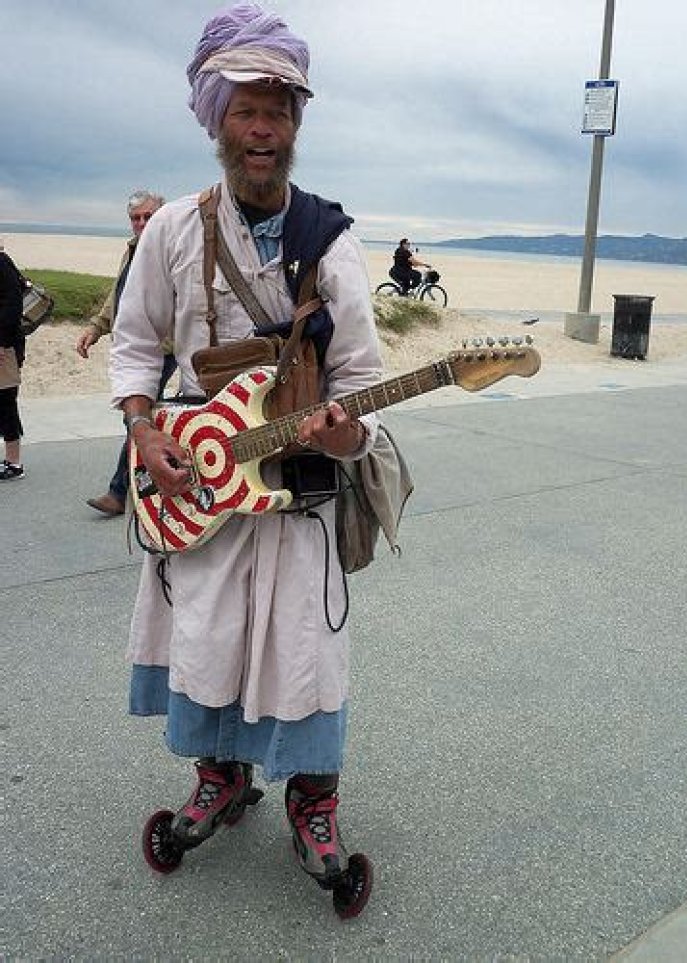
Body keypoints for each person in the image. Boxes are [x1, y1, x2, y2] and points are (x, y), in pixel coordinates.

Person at [109, 3, 384, 915]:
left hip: (294, 497)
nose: (262, 129)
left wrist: (342, 433)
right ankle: (220, 775)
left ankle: (313, 798)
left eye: (278, 111)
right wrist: (145, 431)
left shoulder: (330, 242)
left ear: (296, 124)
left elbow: (360, 384)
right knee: (207, 638)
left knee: (303, 652)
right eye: (246, 111)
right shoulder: (171, 232)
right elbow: (135, 344)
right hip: (198, 488)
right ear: (216, 121)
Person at [77, 190, 176, 516]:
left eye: (149, 216)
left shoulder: (172, 247)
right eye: (136, 218)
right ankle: (142, 485)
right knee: (141, 419)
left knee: (138, 419)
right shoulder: (133, 249)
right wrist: (96, 327)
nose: (142, 223)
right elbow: (119, 294)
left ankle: (120, 492)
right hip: (134, 349)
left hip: (162, 348)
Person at [0, 245, 26, 481]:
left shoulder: (2, 263)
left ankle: (14, 462)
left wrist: (1, 343)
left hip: (4, 348)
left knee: (5, 402)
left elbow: (12, 307)